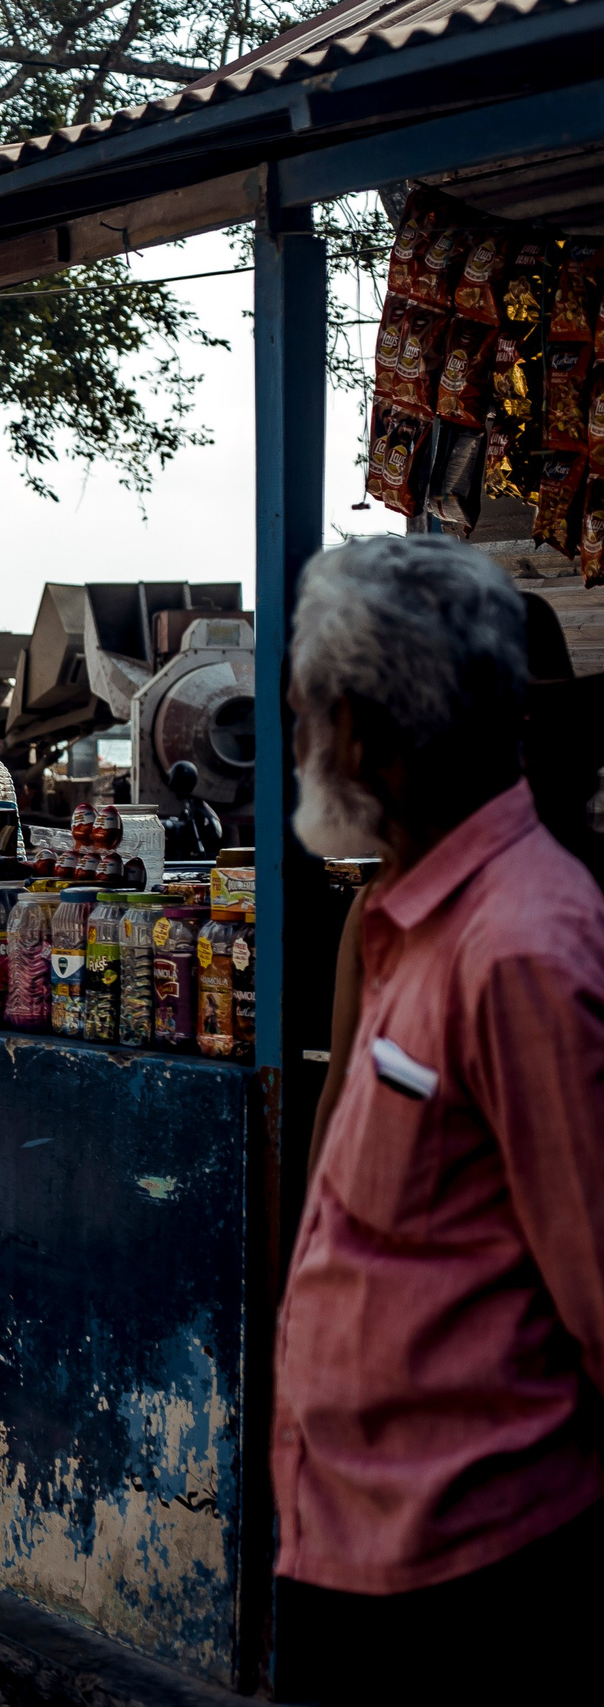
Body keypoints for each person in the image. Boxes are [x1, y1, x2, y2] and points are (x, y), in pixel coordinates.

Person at [272, 533, 604, 1704]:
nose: (300, 743)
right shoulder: (399, 923)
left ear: (363, 731)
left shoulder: (520, 947)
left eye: (310, 711)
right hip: (355, 1546)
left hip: (470, 1582)